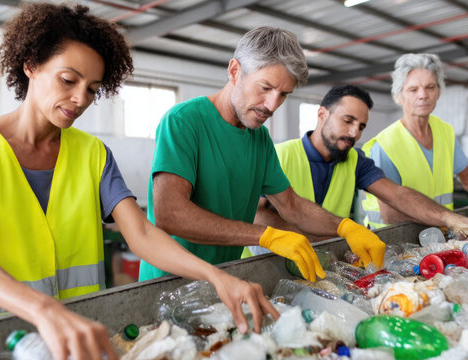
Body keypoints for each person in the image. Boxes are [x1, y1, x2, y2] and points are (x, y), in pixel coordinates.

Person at [0, 4, 276, 359]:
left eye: (92, 89)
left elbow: (141, 234)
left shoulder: (93, 155)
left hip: (78, 344)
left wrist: (215, 277)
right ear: (30, 64)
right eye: (68, 80)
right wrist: (45, 310)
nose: (80, 99)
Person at [139, 27, 386, 284]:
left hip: (225, 280)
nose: (271, 105)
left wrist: (345, 227)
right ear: (235, 71)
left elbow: (291, 205)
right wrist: (266, 236)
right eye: (265, 87)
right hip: (169, 283)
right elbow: (171, 214)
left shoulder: (259, 138)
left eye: (283, 95)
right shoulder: (184, 122)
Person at [250, 85, 468, 249]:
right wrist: (316, 236)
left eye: (361, 126)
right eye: (347, 121)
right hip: (269, 260)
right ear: (322, 114)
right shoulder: (280, 155)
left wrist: (450, 219)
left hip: (325, 255)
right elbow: (257, 215)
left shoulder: (354, 160)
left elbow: (398, 195)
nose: (354, 133)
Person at [362, 53, 468, 229]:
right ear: (399, 97)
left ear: (438, 92)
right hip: (391, 241)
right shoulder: (385, 145)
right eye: (413, 90)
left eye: (430, 87)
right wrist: (449, 219)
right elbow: (390, 214)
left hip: (438, 233)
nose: (423, 95)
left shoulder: (445, 132)